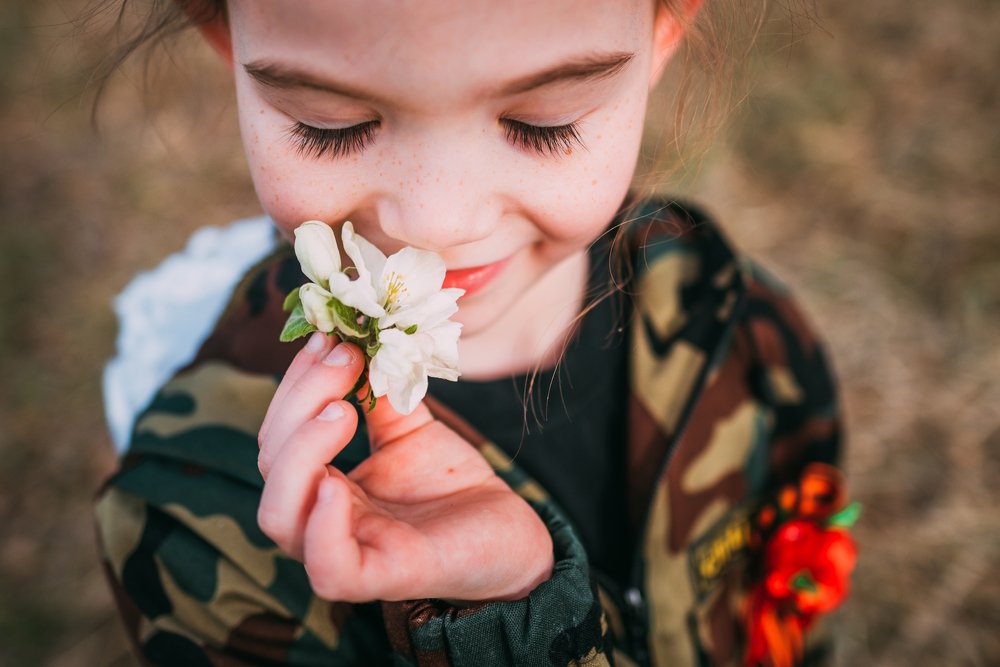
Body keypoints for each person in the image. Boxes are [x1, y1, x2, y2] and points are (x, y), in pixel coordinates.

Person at [93, 1, 854, 665]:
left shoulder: (733, 318)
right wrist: (503, 618)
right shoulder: (203, 529)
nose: (437, 224)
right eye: (332, 127)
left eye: (541, 123)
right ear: (223, 35)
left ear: (666, 25)